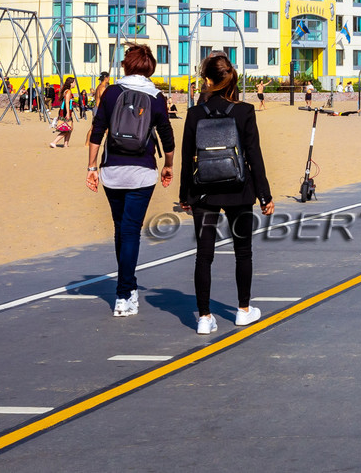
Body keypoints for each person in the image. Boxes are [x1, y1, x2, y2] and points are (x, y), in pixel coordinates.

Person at [180, 52, 274, 335]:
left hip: (204, 191)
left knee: (203, 255)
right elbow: (254, 156)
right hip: (239, 189)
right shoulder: (245, 111)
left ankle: (205, 317)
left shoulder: (195, 114)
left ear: (208, 80)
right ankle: (243, 310)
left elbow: (188, 157)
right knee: (242, 252)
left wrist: (185, 194)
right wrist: (264, 195)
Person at [86, 45, 176, 318]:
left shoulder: (112, 92)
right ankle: (124, 293)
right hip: (142, 172)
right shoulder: (157, 97)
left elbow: (97, 131)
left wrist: (91, 167)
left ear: (126, 65)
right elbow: (167, 136)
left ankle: (127, 289)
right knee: (131, 231)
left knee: (120, 229)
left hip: (112, 171)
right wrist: (169, 165)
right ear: (150, 68)